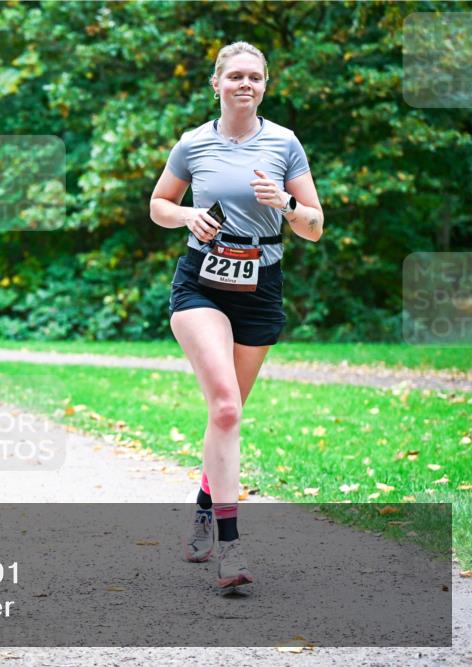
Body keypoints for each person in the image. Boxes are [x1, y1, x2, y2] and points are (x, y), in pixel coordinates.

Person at [149, 42, 324, 592]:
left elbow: (315, 225)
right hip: (200, 281)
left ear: (265, 86)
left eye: (255, 77)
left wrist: (287, 206)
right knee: (224, 404)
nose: (245, 84)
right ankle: (230, 548)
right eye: (235, 76)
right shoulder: (194, 143)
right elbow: (158, 205)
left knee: (227, 415)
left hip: (260, 287)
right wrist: (188, 216)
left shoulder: (285, 144)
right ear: (217, 83)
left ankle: (204, 503)